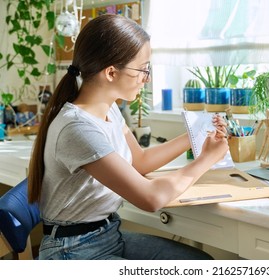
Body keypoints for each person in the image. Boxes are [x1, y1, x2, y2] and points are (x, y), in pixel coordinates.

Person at [27, 14, 229, 260]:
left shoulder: (108, 108)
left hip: (108, 235)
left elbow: (139, 160)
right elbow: (150, 198)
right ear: (111, 73)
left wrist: (195, 135)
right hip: (73, 251)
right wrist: (206, 160)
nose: (147, 78)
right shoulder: (77, 128)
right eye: (143, 69)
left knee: (200, 262)